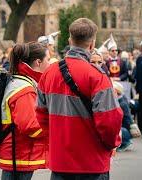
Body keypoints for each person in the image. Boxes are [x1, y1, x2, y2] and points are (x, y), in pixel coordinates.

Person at [36, 18, 123, 180]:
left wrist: (57, 140)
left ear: (70, 40)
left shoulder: (49, 73)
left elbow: (40, 116)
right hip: (92, 163)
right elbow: (110, 120)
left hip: (60, 162)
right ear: (92, 44)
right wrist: (111, 144)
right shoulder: (97, 76)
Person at [0, 42, 50, 180]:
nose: (50, 64)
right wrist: (54, 126)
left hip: (18, 152)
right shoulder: (25, 89)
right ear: (38, 62)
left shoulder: (22, 81)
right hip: (19, 154)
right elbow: (31, 127)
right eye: (48, 60)